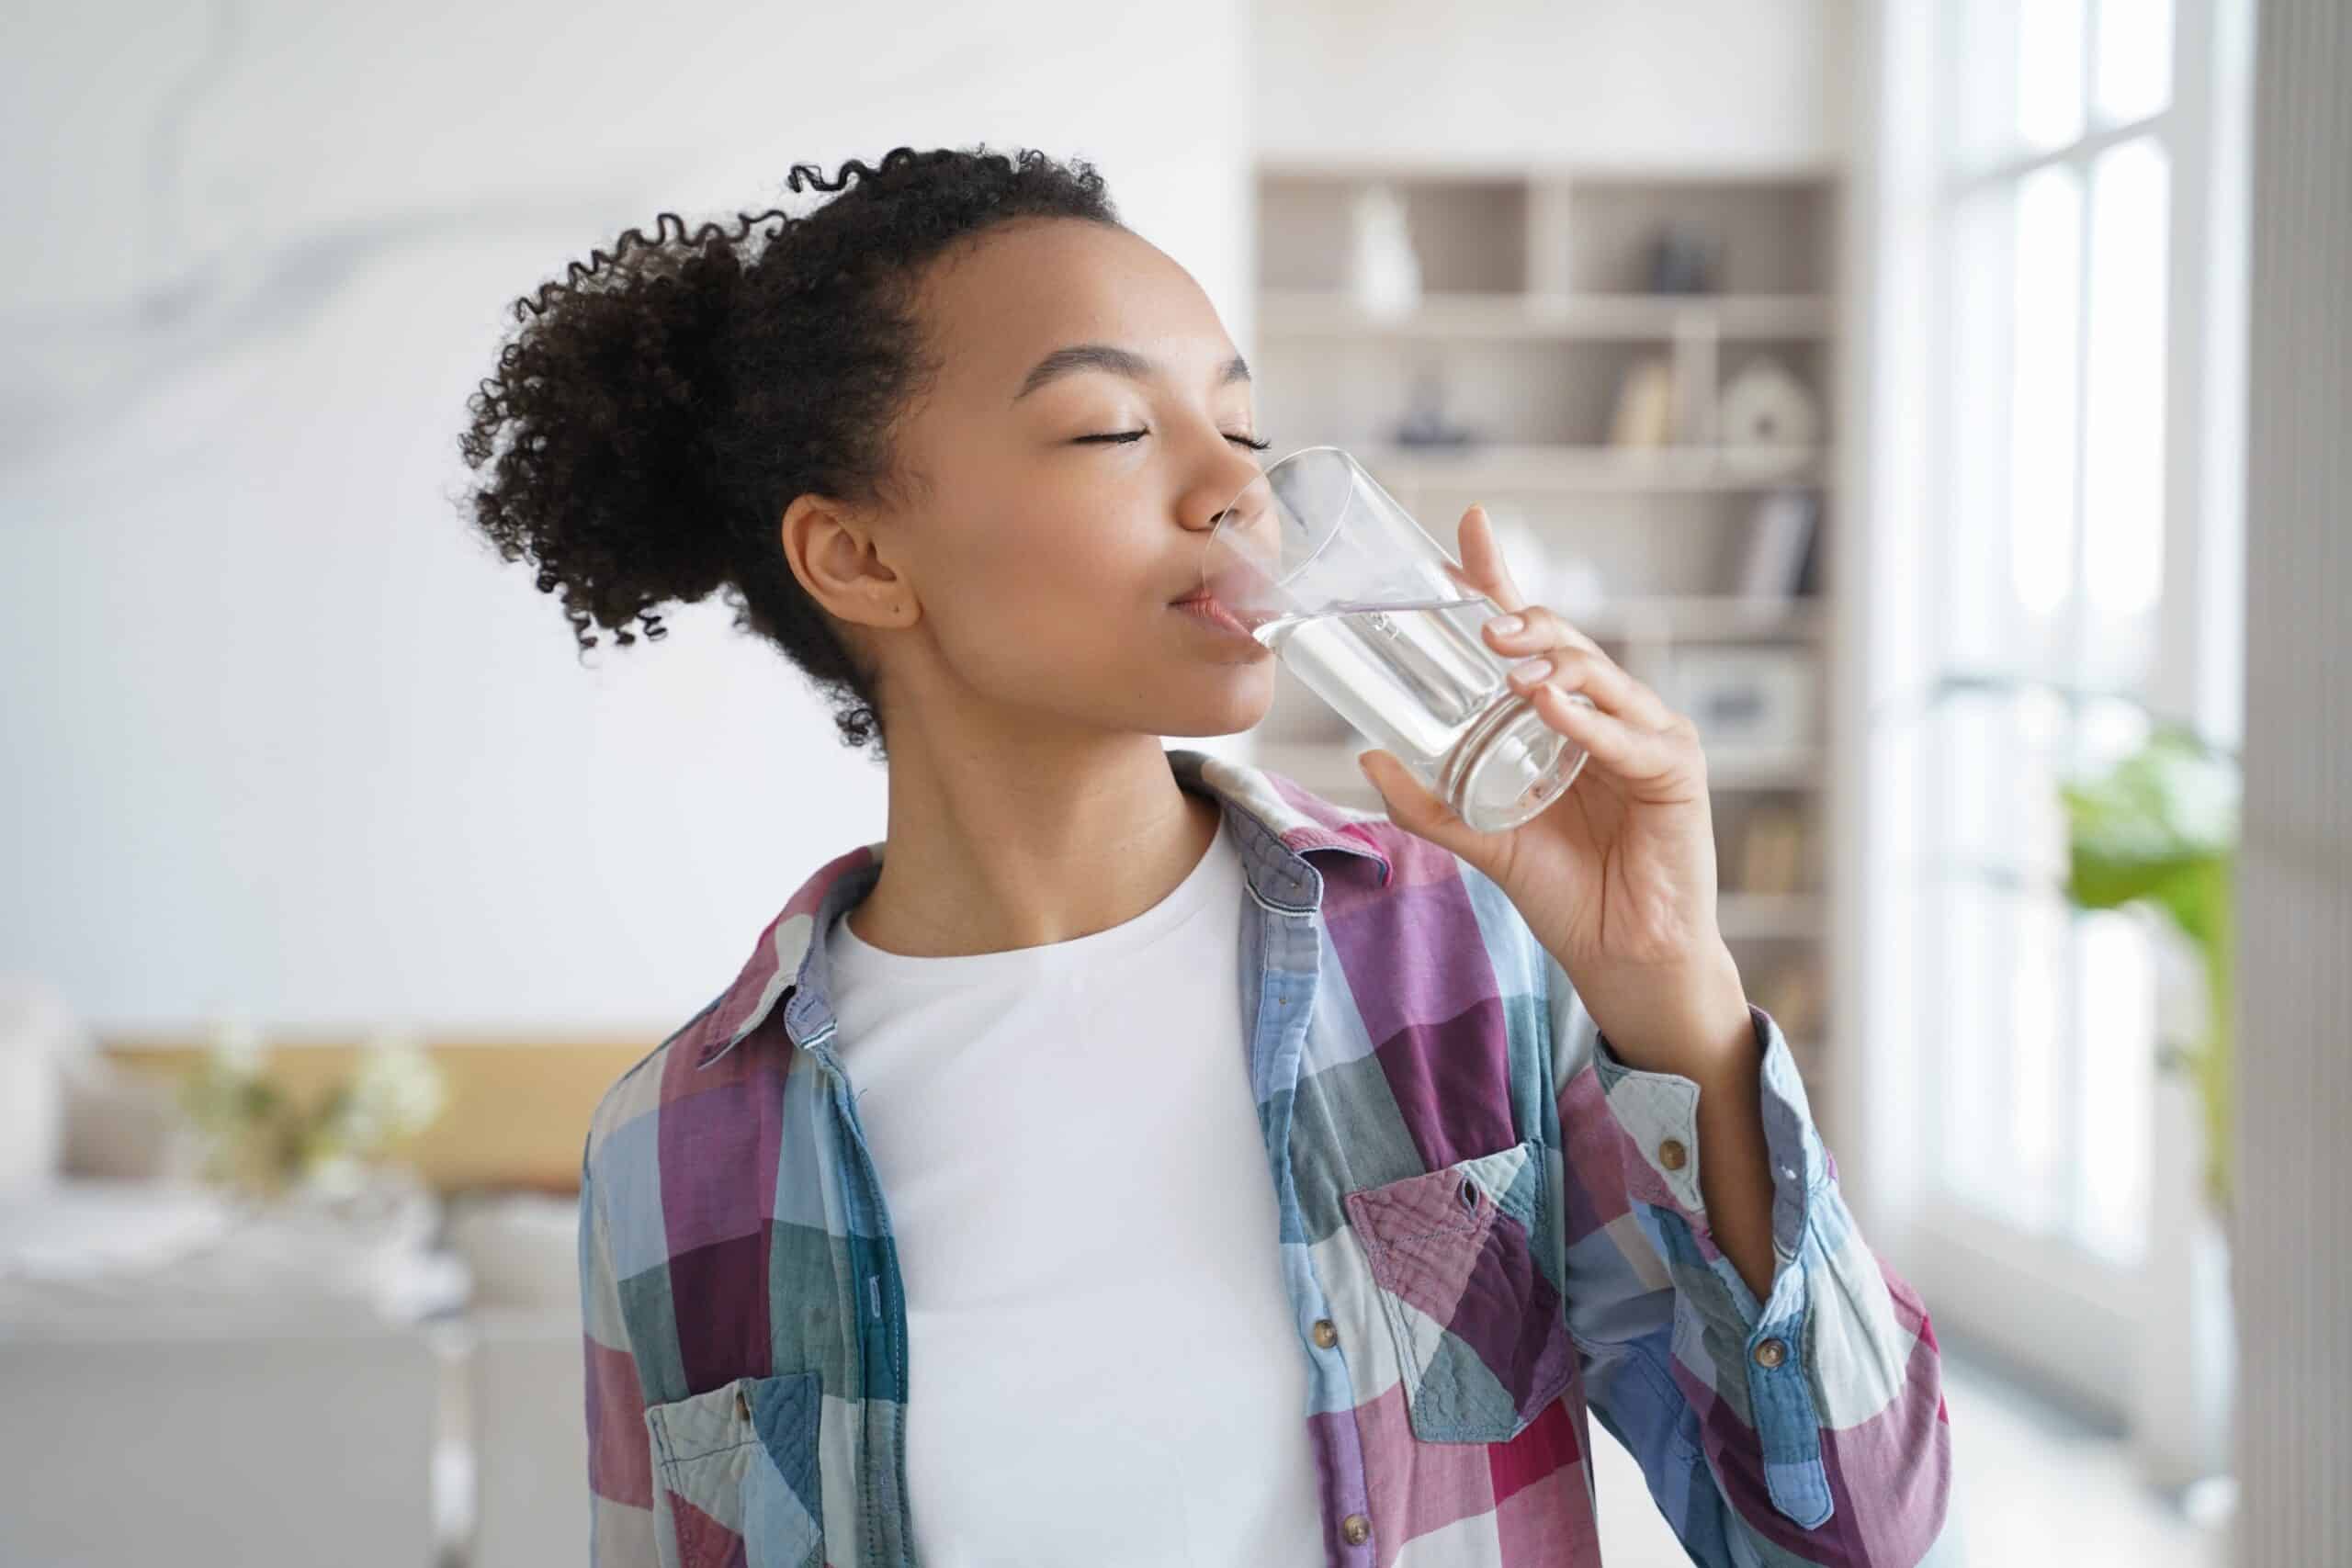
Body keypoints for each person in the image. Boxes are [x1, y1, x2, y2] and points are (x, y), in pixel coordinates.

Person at [456, 144, 1955, 1567]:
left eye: (1240, 425)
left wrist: (1674, 993)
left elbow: (1853, 1538)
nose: (1238, 490)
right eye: (1114, 429)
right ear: (859, 558)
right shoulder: (674, 1149)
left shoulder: (1464, 959)